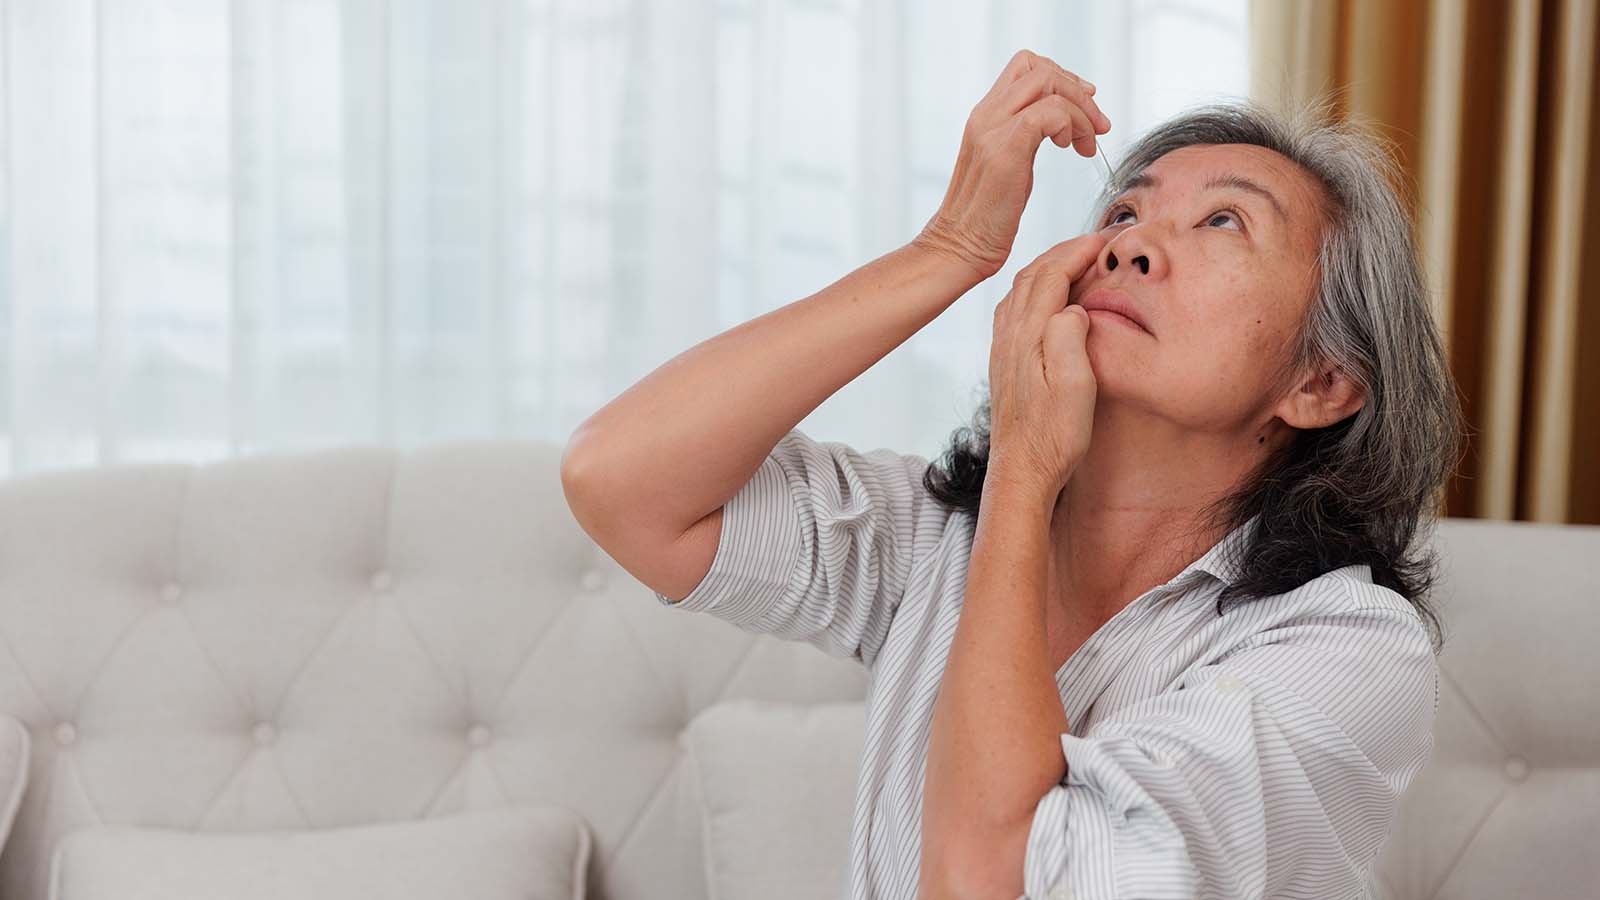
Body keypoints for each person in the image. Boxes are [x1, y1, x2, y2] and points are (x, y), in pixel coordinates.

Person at [562, 48, 1466, 900]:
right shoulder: (934, 544)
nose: (1130, 247)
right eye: (1122, 213)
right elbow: (619, 477)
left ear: (1321, 382)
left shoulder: (1349, 647)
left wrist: (1027, 473)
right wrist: (951, 247)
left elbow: (991, 879)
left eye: (1223, 221)